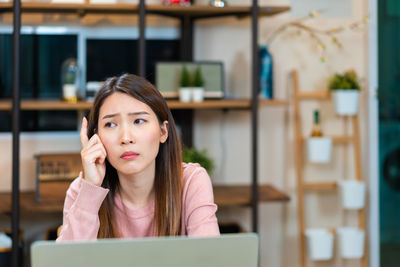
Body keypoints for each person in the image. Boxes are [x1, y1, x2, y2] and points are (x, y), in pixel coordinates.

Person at [57, 74, 219, 241]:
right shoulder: (82, 190)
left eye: (139, 121)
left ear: (163, 132)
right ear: (95, 139)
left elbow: (210, 258)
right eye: (111, 124)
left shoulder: (191, 182)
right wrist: (91, 189)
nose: (126, 138)